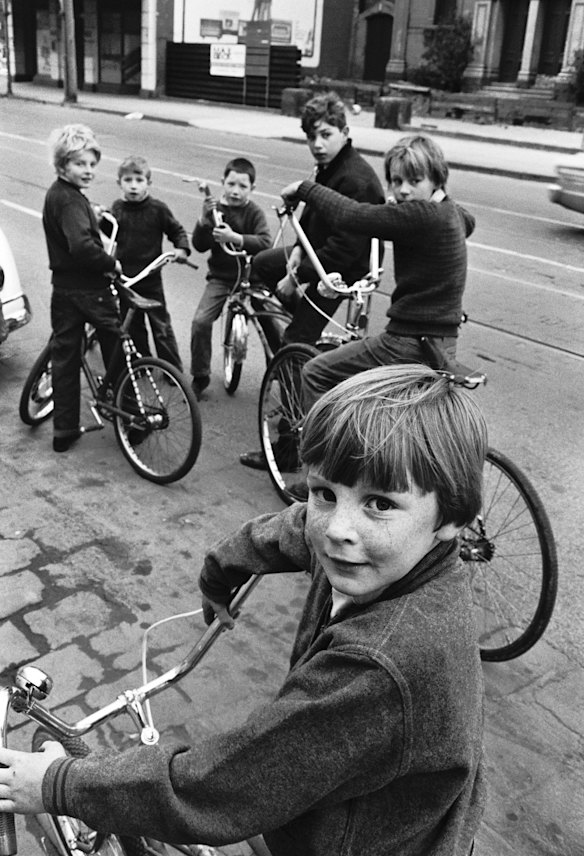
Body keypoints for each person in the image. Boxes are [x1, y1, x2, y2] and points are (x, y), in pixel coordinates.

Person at [0, 364, 487, 856]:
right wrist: (222, 569)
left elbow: (224, 787)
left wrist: (58, 784)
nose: (337, 529)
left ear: (453, 517)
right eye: (325, 492)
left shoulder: (379, 667)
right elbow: (296, 528)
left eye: (379, 503)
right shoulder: (383, 556)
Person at [279, 133, 476, 413]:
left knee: (314, 372)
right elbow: (469, 222)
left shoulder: (421, 216)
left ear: (436, 179)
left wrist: (304, 188)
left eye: (415, 181)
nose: (403, 190)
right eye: (396, 181)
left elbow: (352, 215)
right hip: (443, 342)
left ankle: (321, 442)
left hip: (406, 341)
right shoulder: (449, 212)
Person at [240, 90, 385, 470]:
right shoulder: (330, 167)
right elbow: (310, 216)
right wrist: (293, 260)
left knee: (295, 345)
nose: (317, 144)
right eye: (310, 137)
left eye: (325, 135)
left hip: (340, 274)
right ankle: (288, 338)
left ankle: (289, 447)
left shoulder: (356, 179)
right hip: (317, 256)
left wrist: (296, 277)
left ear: (345, 132)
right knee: (260, 266)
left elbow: (345, 249)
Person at [41, 124, 122, 453]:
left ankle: (64, 430)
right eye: (79, 164)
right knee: (116, 349)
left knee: (64, 358)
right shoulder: (71, 201)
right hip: (91, 290)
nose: (88, 170)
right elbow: (82, 247)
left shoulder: (58, 194)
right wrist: (111, 263)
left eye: (91, 164)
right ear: (62, 165)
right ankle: (133, 421)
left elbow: (70, 228)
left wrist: (92, 213)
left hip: (63, 290)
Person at [190, 156, 271, 400]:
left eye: (243, 186)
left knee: (270, 323)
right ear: (222, 182)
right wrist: (203, 221)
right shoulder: (216, 211)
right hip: (221, 277)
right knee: (201, 321)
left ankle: (280, 367)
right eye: (231, 184)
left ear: (252, 188)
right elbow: (200, 245)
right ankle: (200, 375)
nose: (236, 191)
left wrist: (235, 238)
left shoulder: (254, 212)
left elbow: (265, 242)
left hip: (252, 278)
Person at [110, 155, 191, 371]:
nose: (133, 186)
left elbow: (176, 230)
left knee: (161, 326)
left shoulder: (158, 209)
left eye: (139, 180)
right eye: (128, 180)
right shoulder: (117, 209)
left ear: (148, 183)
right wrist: (99, 219)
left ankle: (171, 369)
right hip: (126, 278)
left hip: (150, 277)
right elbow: (109, 231)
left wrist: (181, 249)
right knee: (133, 325)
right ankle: (142, 363)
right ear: (119, 183)